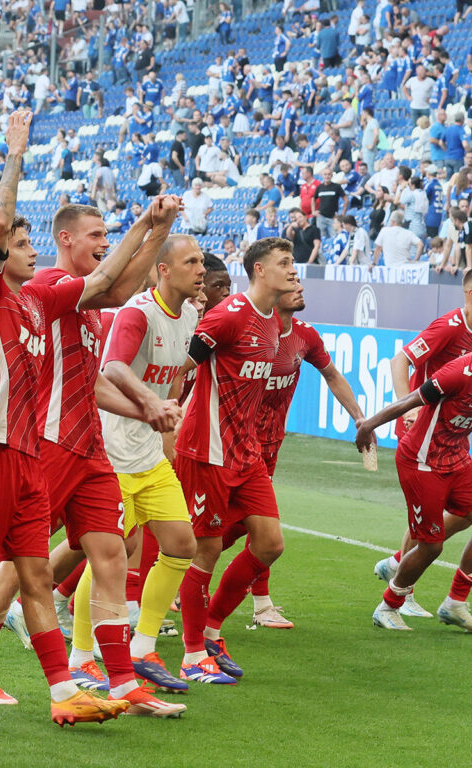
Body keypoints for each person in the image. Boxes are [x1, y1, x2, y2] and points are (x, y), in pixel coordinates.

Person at [0, 110, 141, 725]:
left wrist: (148, 228)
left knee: (33, 576)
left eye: (29, 244)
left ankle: (61, 692)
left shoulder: (42, 301)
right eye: (20, 245)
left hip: (29, 454)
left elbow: (106, 277)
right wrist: (15, 154)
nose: (28, 251)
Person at [0, 198, 186, 714]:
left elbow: (116, 300)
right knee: (17, 569)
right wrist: (147, 223)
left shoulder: (80, 304)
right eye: (96, 233)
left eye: (108, 233)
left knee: (110, 554)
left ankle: (124, 683)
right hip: (50, 444)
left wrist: (141, 409)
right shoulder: (46, 289)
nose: (104, 242)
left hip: (89, 448)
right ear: (68, 240)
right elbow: (110, 280)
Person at [99, 234, 238, 687]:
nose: (202, 270)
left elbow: (175, 375)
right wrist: (150, 405)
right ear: (164, 269)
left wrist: (170, 417)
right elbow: (113, 369)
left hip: (148, 453)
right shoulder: (137, 313)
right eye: (192, 261)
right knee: (108, 558)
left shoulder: (193, 314)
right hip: (113, 452)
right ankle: (83, 655)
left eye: (202, 261)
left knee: (181, 544)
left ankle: (142, 646)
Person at [174, 237, 298, 680]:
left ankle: (210, 631)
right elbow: (180, 367)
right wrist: (165, 415)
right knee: (202, 552)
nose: (293, 269)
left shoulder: (272, 323)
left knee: (269, 544)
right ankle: (192, 657)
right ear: (260, 270)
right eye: (284, 263)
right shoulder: (227, 316)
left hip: (246, 453)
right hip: (206, 450)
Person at [360, 316, 472, 633]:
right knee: (431, 546)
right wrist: (368, 425)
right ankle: (388, 606)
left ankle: (455, 604)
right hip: (421, 461)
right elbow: (411, 399)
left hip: (457, 459)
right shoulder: (458, 372)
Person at [218, 279, 367, 628]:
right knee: (222, 524)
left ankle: (258, 603)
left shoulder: (304, 336)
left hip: (268, 447)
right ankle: (179, 575)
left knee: (251, 525)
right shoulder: (243, 329)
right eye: (288, 280)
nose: (299, 287)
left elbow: (331, 374)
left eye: (299, 280)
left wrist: (360, 418)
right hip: (228, 443)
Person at [375, 266, 472, 616]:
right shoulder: (450, 326)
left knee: (464, 514)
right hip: (423, 428)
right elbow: (400, 358)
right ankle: (405, 589)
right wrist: (408, 410)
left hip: (452, 434)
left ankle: (399, 562)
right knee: (430, 518)